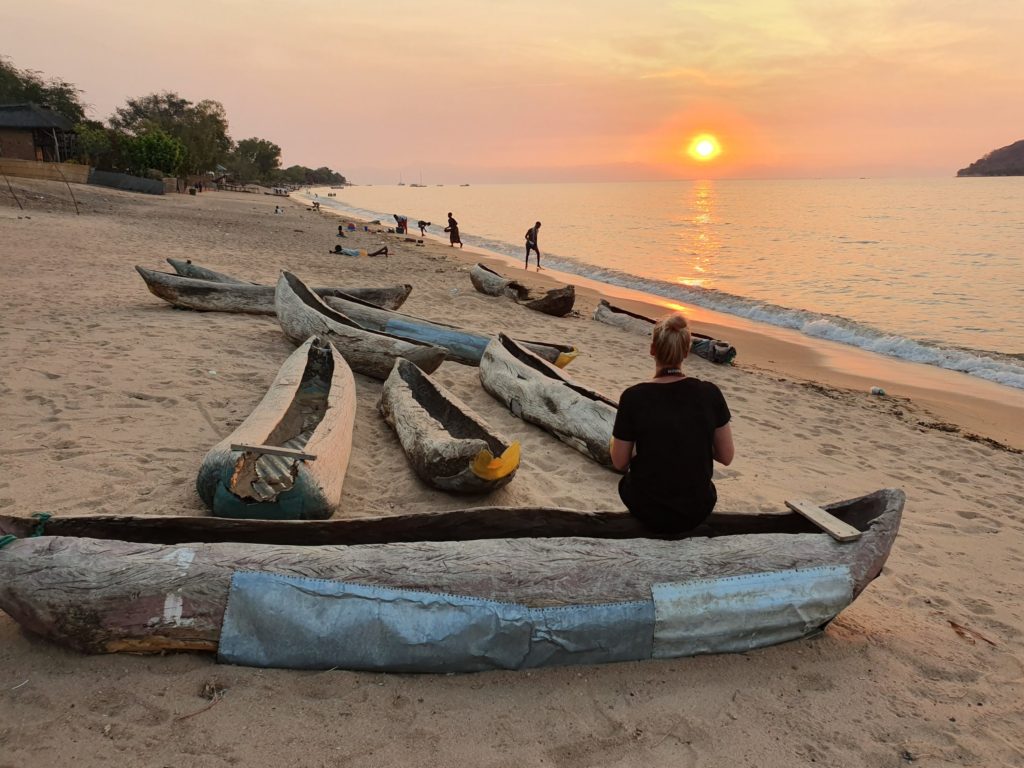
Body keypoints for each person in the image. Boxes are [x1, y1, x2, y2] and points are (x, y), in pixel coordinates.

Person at [610, 313, 734, 535]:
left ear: (652, 350)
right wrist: (692, 437)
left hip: (647, 507)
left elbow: (619, 462)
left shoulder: (633, 397)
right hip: (697, 508)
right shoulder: (710, 393)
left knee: (628, 482)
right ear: (686, 352)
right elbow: (726, 456)